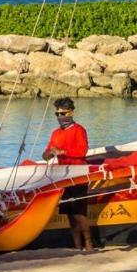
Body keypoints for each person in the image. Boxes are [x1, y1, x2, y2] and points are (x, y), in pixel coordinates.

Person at [42, 97, 93, 251]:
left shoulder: (79, 130)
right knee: (69, 213)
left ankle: (89, 243)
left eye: (62, 113)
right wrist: (48, 154)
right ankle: (77, 245)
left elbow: (82, 151)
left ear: (71, 113)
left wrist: (63, 151)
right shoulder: (56, 133)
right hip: (63, 175)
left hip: (78, 174)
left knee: (79, 212)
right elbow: (47, 152)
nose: (59, 117)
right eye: (56, 114)